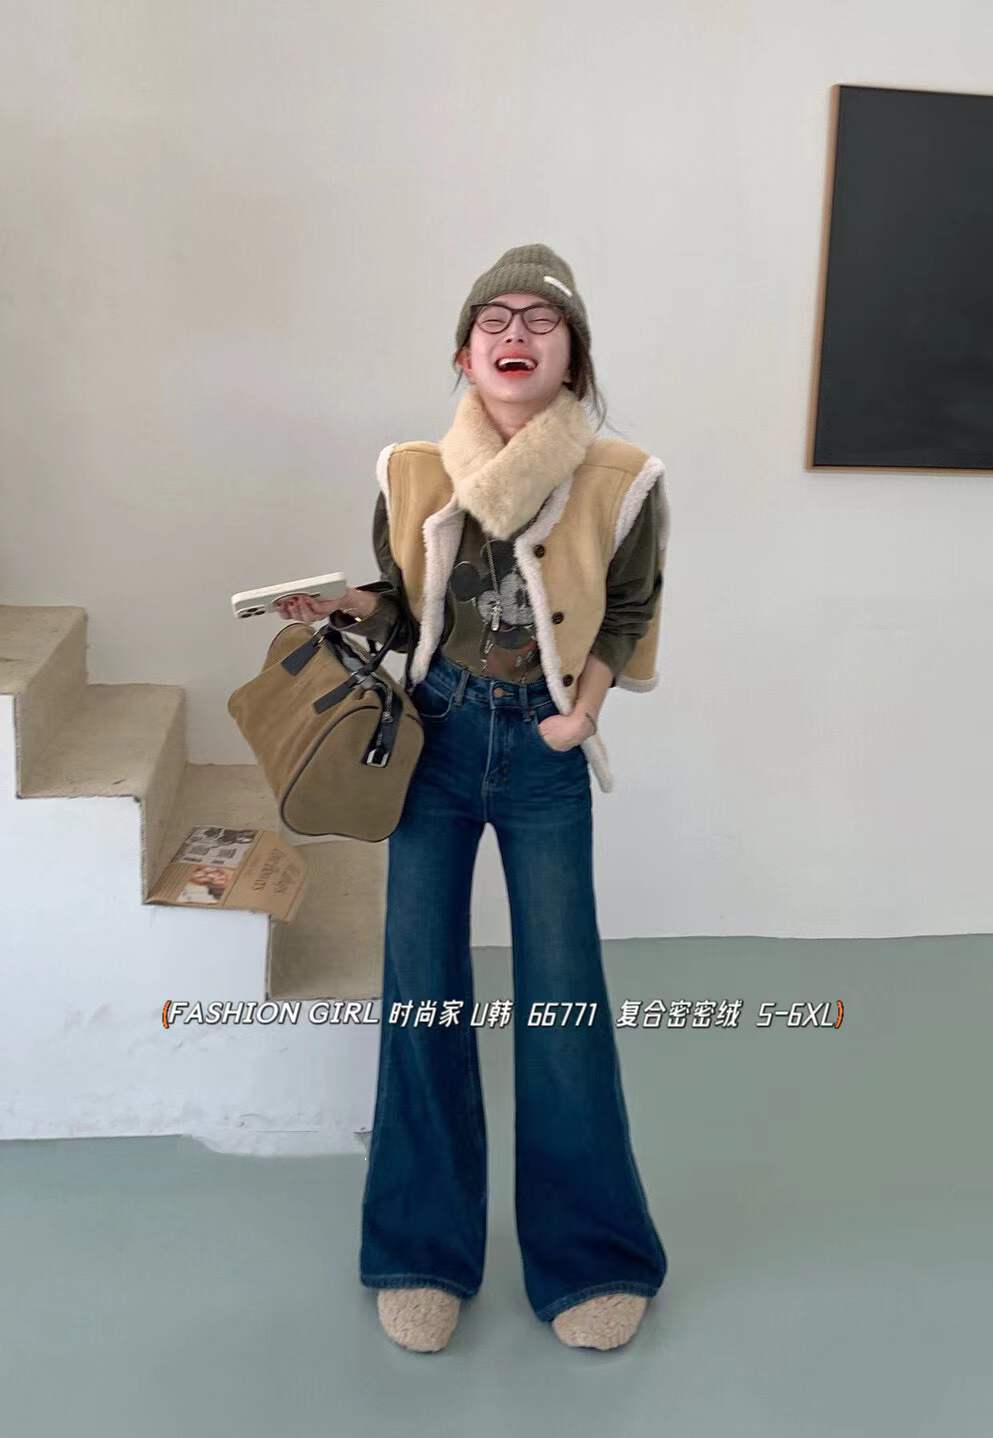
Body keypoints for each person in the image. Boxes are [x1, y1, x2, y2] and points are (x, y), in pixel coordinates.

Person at [277, 244, 669, 1353]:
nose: (516, 333)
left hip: (543, 749)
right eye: (494, 318)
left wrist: (580, 715)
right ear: (464, 353)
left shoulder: (624, 476)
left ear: (572, 358)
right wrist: (344, 605)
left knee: (563, 998)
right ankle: (421, 1250)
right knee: (422, 990)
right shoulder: (412, 469)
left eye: (543, 319)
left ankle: (592, 1258)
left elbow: (629, 609)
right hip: (434, 740)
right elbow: (409, 608)